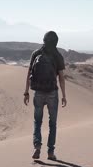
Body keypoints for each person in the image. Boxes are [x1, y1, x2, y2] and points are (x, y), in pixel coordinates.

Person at [24, 31, 67, 160]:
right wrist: (64, 95)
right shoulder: (57, 55)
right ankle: (50, 152)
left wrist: (26, 92)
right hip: (52, 93)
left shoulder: (36, 53)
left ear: (44, 40)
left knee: (37, 121)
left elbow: (28, 74)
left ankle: (37, 147)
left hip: (38, 93)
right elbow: (61, 78)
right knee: (52, 123)